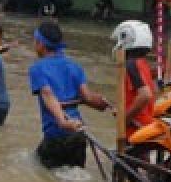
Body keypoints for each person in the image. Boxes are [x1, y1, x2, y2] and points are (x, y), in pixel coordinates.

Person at [28, 21, 112, 168]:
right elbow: (87, 97)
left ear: (40, 44)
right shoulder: (74, 66)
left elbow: (48, 95)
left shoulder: (38, 68)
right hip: (78, 134)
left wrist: (62, 122)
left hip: (57, 134)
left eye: (35, 41)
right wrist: (104, 104)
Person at [114, 20, 158, 134]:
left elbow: (145, 95)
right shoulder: (142, 63)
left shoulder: (131, 65)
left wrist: (124, 119)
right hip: (145, 126)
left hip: (136, 128)